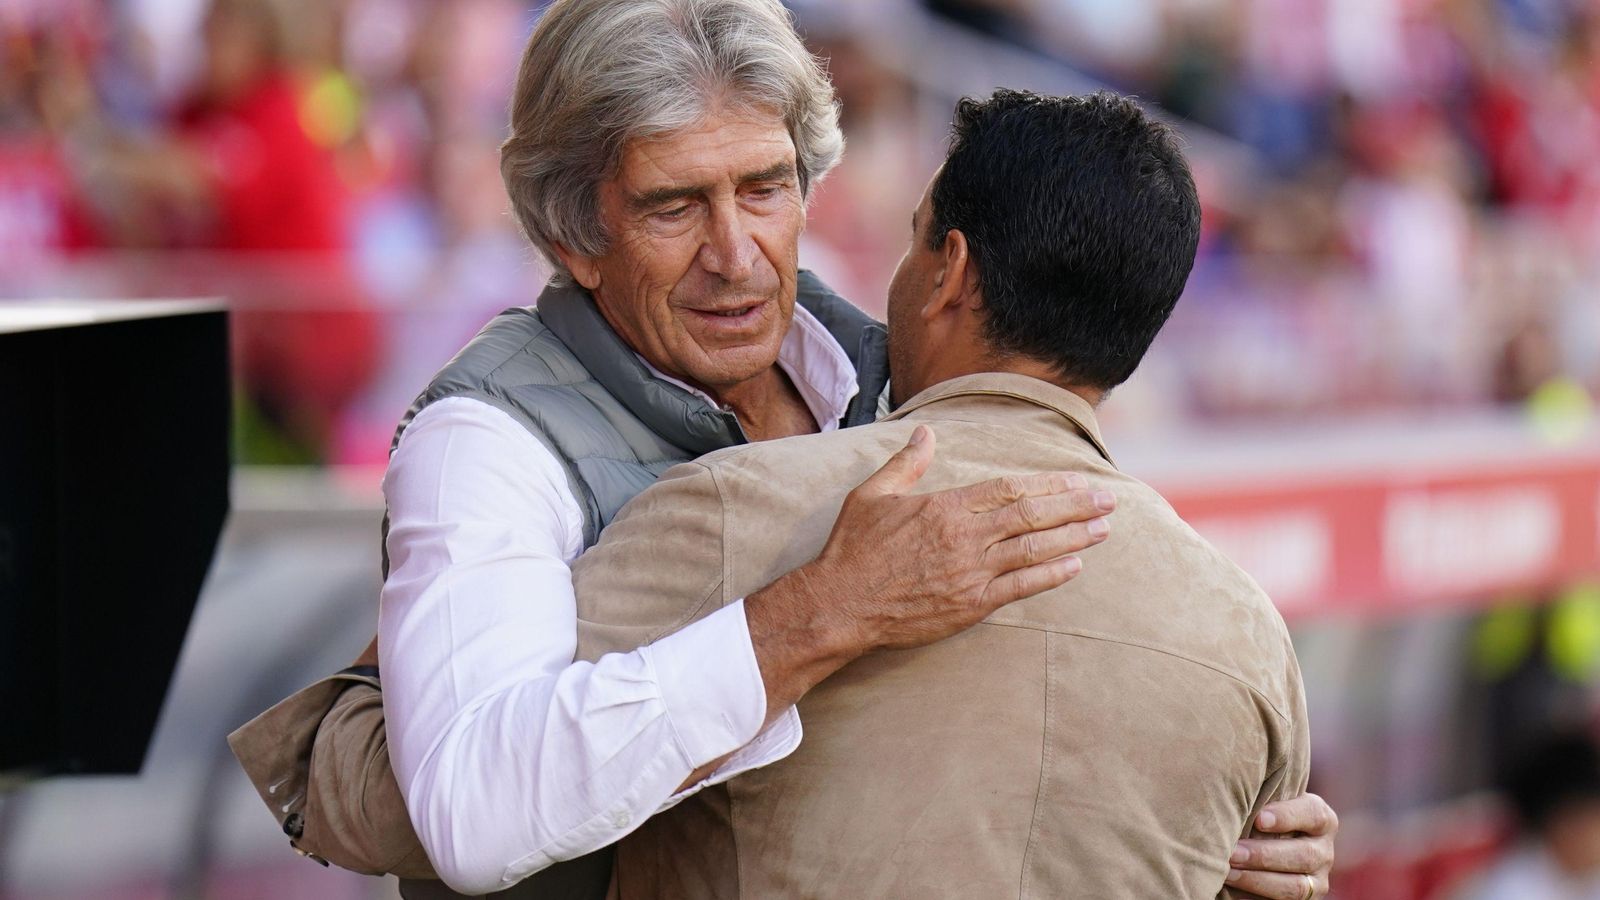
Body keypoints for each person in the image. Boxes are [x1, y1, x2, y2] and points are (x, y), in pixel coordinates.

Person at [229, 2, 1338, 898]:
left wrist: (1235, 833)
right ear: (574, 234)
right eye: (674, 207)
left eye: (765, 189)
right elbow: (467, 814)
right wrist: (822, 611)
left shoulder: (900, 364)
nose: (736, 254)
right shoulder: (488, 440)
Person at [567, 87, 1316, 899]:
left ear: (950, 271)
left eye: (913, 238)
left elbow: (486, 795)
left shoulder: (730, 509)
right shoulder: (1246, 633)